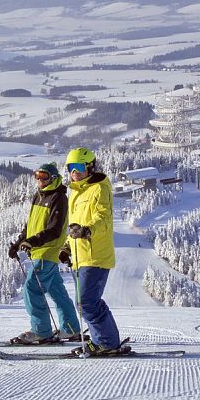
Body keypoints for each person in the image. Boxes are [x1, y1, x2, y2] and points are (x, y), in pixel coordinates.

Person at [8, 163, 81, 343]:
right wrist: (18, 244)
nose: (40, 180)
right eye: (37, 176)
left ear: (53, 178)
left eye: (44, 176)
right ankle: (70, 328)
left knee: (31, 289)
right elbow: (30, 225)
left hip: (46, 251)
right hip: (39, 251)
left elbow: (55, 229)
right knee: (57, 291)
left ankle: (41, 331)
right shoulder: (39, 196)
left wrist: (32, 242)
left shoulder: (58, 198)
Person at [59, 147, 121, 353]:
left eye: (78, 167)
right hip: (80, 256)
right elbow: (76, 225)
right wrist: (68, 247)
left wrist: (87, 231)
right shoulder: (77, 191)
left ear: (90, 167)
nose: (74, 172)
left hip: (96, 255)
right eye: (70, 167)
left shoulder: (99, 189)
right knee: (86, 303)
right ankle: (104, 340)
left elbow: (103, 218)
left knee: (86, 303)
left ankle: (107, 342)